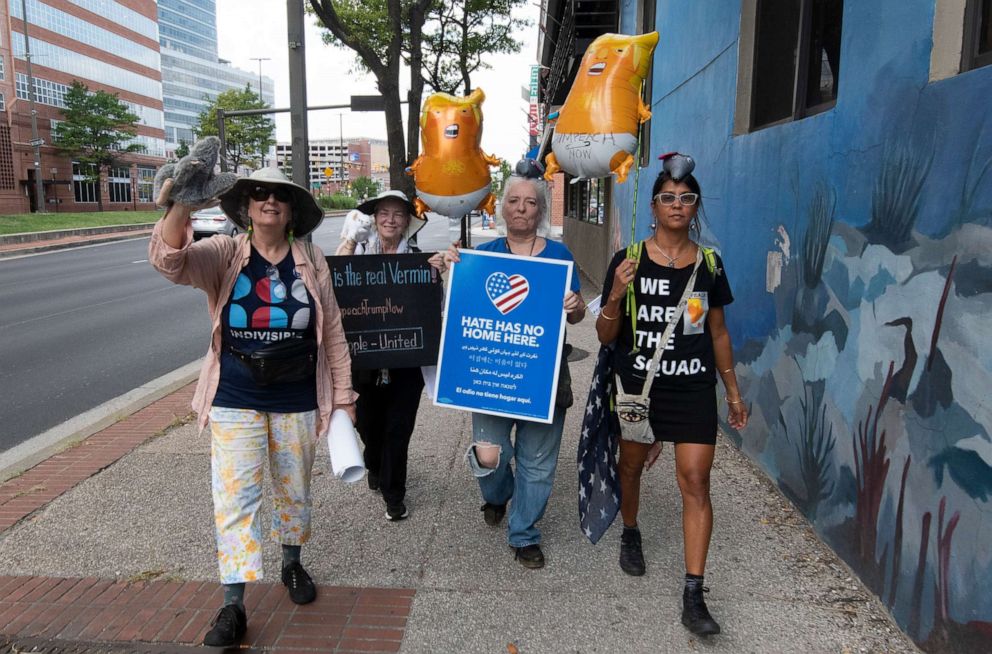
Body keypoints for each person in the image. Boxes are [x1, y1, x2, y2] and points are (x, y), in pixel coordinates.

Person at [149, 167, 357, 648]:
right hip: (235, 396)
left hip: (297, 395)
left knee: (294, 487)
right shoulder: (224, 253)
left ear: (291, 211)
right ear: (245, 207)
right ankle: (232, 603)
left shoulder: (312, 259)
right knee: (236, 497)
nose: (269, 201)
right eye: (259, 194)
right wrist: (182, 204)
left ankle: (291, 563)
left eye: (279, 196)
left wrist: (344, 398)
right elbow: (169, 261)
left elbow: (333, 334)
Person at [596, 153, 747, 636]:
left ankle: (693, 593)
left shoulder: (709, 264)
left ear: (695, 206)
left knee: (695, 481)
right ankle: (632, 532)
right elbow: (604, 335)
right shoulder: (629, 261)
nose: (677, 205)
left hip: (694, 388)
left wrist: (733, 392)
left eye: (686, 198)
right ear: (655, 207)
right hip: (639, 388)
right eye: (667, 198)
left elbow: (718, 332)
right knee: (632, 466)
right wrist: (617, 294)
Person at [432, 162, 586, 569]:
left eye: (530, 202)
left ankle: (523, 533)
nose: (521, 208)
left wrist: (575, 307)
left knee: (536, 462)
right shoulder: (480, 257)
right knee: (489, 455)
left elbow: (575, 316)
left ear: (540, 211)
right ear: (502, 209)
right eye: (514, 201)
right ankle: (498, 495)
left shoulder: (559, 256)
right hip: (490, 376)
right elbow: (459, 311)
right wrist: (446, 269)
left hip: (542, 375)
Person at [336, 190, 428, 521]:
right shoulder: (357, 254)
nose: (390, 220)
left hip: (406, 360)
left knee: (398, 429)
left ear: (407, 223)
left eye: (398, 214)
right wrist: (348, 240)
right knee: (369, 426)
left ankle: (394, 495)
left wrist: (440, 271)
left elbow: (434, 304)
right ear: (375, 219)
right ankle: (374, 461)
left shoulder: (419, 259)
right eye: (384, 213)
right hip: (362, 358)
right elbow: (331, 284)